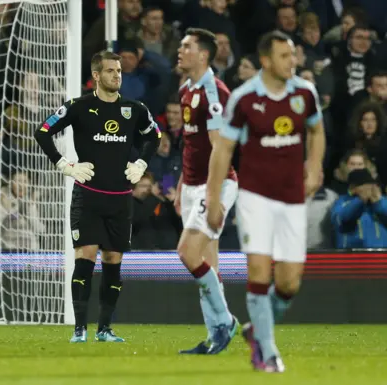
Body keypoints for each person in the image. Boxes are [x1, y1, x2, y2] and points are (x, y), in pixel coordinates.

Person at [206, 31, 325, 372]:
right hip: (255, 198)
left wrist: (314, 167)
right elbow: (223, 149)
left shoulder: (305, 93)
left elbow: (316, 131)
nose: (293, 62)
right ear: (266, 60)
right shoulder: (244, 99)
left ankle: (256, 328)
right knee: (259, 271)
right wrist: (214, 198)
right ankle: (267, 353)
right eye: (285, 56)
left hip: (292, 199)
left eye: (293, 55)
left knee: (289, 283)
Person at [34, 50, 161, 343]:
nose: (117, 75)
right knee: (86, 257)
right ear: (95, 76)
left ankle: (105, 329)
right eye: (110, 71)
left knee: (114, 260)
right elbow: (42, 132)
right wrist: (64, 165)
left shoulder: (134, 108)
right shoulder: (78, 107)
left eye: (119, 71)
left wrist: (141, 163)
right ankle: (79, 329)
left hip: (120, 198)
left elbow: (154, 136)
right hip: (88, 196)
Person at [173, 28, 239, 355]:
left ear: (203, 55)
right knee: (207, 265)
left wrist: (211, 196)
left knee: (188, 253)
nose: (180, 50)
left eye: (186, 47)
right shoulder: (187, 89)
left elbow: (219, 149)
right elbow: (191, 144)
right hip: (193, 186)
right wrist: (182, 185)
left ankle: (225, 320)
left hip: (216, 185)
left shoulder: (215, 91)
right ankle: (216, 335)